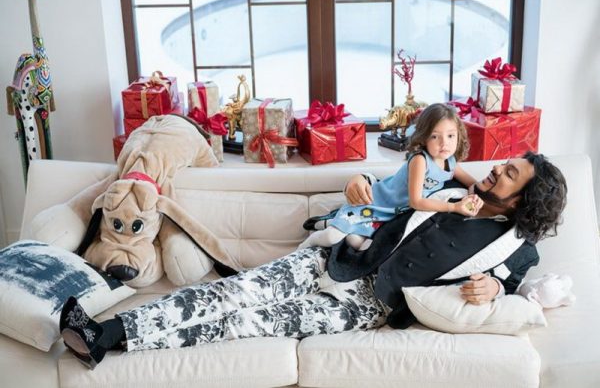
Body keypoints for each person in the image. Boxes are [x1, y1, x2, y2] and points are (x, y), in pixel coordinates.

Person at [59, 152, 567, 370]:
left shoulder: (515, 247)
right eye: (503, 164)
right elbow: (393, 194)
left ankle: (116, 339)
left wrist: (497, 289)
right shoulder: (447, 180)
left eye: (509, 175)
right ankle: (104, 336)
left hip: (364, 304)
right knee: (225, 293)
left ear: (523, 202)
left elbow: (519, 287)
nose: (496, 170)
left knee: (240, 323)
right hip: (333, 260)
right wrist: (359, 186)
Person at [298, 103, 479, 251]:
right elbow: (416, 201)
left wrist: (475, 197)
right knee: (332, 237)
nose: (444, 143)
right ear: (424, 138)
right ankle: (307, 243)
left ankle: (338, 222)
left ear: (458, 136)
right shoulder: (420, 160)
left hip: (392, 216)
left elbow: (473, 184)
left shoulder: (451, 163)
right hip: (377, 202)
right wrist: (454, 207)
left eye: (450, 136)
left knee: (356, 243)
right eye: (435, 137)